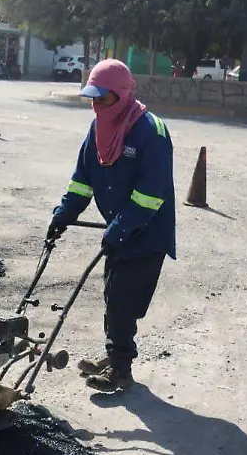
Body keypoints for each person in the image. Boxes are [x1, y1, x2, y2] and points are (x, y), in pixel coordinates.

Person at [45, 59, 176, 393]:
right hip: (119, 230)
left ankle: (121, 370)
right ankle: (114, 355)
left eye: (103, 98)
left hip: (147, 233)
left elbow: (150, 194)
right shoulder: (98, 129)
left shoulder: (151, 131)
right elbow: (83, 180)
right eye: (93, 98)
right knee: (112, 295)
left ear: (122, 95)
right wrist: (64, 214)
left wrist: (120, 228)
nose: (96, 105)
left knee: (121, 299)